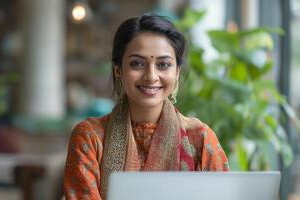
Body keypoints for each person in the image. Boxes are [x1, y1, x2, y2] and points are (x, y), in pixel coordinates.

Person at [63, 13, 229, 200]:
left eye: (163, 64)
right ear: (119, 70)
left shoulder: (200, 138)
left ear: (177, 72)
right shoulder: (90, 138)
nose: (151, 76)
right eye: (137, 64)